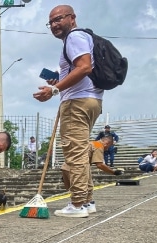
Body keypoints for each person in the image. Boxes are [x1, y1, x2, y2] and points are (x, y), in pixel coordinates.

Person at [33, 4, 103, 218]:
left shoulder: (74, 37)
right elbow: (80, 69)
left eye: (59, 19)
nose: (54, 24)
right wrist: (60, 81)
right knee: (80, 151)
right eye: (51, 22)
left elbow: (84, 67)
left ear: (72, 18)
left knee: (75, 154)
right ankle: (88, 201)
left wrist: (55, 89)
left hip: (77, 102)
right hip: (90, 100)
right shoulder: (80, 38)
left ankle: (78, 203)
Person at [61, 135, 124, 214]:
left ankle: (86, 204)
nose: (108, 149)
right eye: (110, 146)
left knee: (83, 186)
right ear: (107, 143)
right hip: (76, 166)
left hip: (71, 166)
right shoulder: (98, 145)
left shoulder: (93, 143)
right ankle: (80, 206)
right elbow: (99, 165)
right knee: (83, 186)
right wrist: (113, 172)